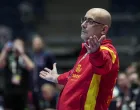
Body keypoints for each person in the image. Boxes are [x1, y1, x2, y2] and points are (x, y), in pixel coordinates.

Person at [39, 8, 119, 110]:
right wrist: (57, 78)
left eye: (90, 21)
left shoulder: (108, 51)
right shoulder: (87, 51)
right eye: (84, 19)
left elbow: (102, 65)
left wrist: (96, 53)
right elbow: (74, 75)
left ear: (103, 29)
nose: (83, 24)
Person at [0, 39, 35, 110]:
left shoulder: (26, 55)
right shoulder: (8, 55)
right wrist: (4, 50)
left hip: (22, 91)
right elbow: (0, 65)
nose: (17, 47)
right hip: (9, 90)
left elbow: (31, 67)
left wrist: (22, 53)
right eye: (15, 44)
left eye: (19, 45)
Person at [29, 35, 56, 110]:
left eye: (38, 43)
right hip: (34, 87)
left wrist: (52, 85)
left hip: (46, 87)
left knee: (48, 107)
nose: (36, 45)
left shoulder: (48, 55)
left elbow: (54, 69)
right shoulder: (31, 55)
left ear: (42, 44)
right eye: (35, 43)